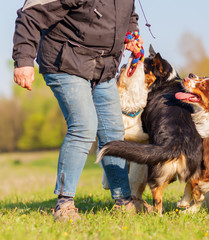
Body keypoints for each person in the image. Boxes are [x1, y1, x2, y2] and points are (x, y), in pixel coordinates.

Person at [12, 0, 150, 222]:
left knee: (113, 132)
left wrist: (131, 35)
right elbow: (30, 13)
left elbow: (128, 15)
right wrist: (24, 60)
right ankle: (64, 205)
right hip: (64, 62)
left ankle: (124, 201)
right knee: (84, 126)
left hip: (103, 68)